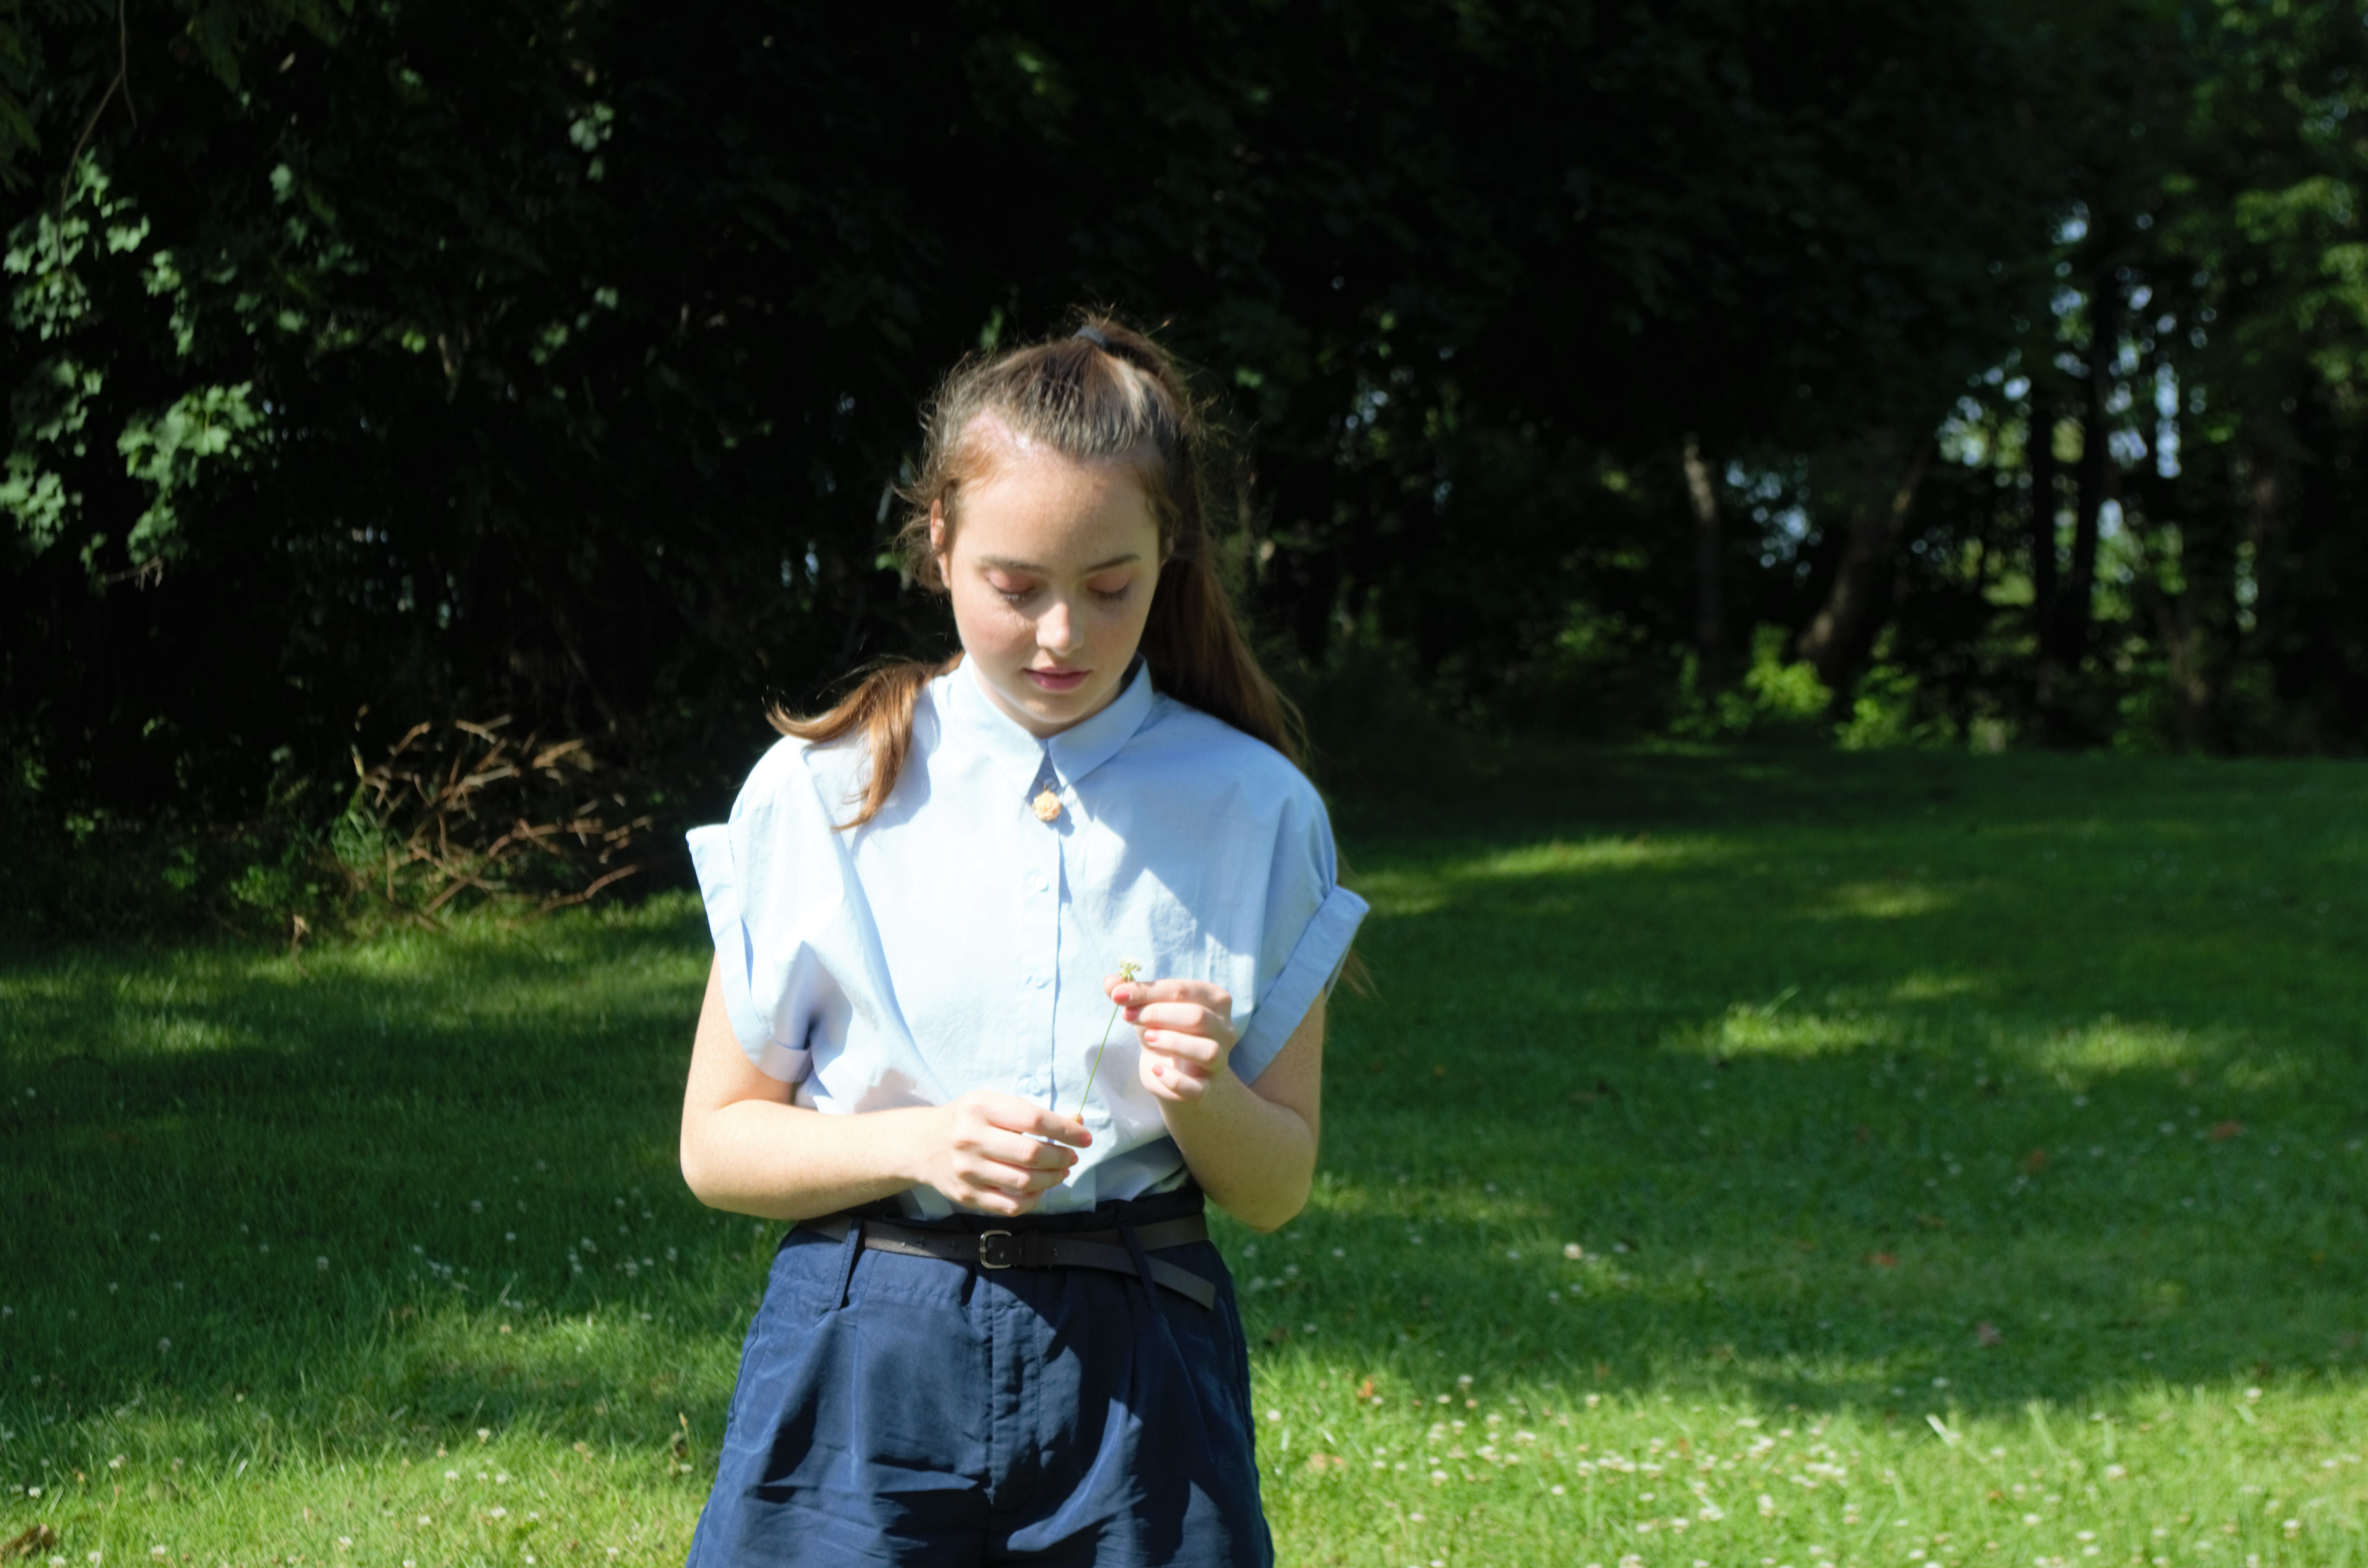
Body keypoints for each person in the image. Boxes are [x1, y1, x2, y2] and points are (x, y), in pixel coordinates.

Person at [676, 315, 1368, 1567]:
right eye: (1016, 587)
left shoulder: (1259, 811)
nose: (1064, 637)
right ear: (938, 542)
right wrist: (919, 1141)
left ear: (1169, 553)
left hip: (1143, 1359)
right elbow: (716, 1145)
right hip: (862, 1351)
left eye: (1111, 588)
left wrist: (1204, 1093)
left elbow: (1276, 1189)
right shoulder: (821, 790)